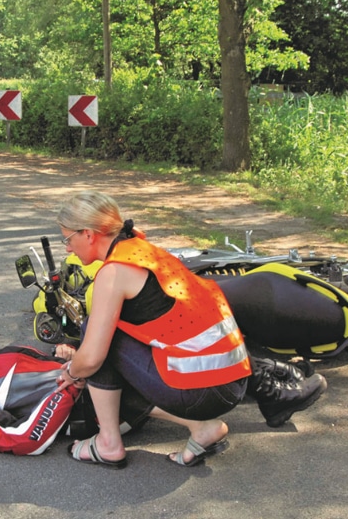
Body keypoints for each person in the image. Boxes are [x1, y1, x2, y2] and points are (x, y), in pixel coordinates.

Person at [54, 190, 326, 469]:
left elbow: (93, 358)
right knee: (107, 339)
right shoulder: (143, 250)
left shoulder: (114, 273)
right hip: (235, 382)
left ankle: (108, 443)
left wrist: (72, 372)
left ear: (88, 234)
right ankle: (203, 429)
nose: (67, 248)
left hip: (203, 394)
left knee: (96, 335)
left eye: (67, 239)